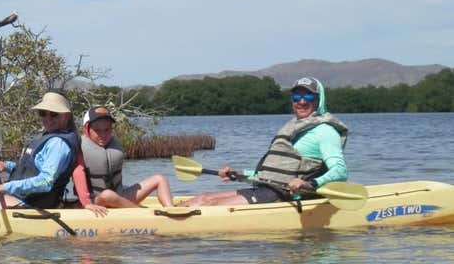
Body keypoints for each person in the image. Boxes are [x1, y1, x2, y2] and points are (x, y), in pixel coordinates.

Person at [181, 77, 348, 206]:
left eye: (308, 96)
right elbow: (273, 174)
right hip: (266, 190)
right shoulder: (294, 128)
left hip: (283, 196)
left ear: (318, 100)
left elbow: (340, 171)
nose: (302, 101)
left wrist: (309, 183)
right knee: (204, 198)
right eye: (297, 96)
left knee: (211, 204)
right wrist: (239, 175)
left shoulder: (326, 131)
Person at [71, 106, 174, 215]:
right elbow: (77, 174)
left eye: (107, 130)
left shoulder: (113, 144)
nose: (103, 135)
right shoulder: (80, 147)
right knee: (107, 195)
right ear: (87, 129)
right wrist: (87, 203)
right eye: (97, 131)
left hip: (119, 196)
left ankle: (172, 212)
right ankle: (144, 214)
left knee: (160, 179)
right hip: (97, 201)